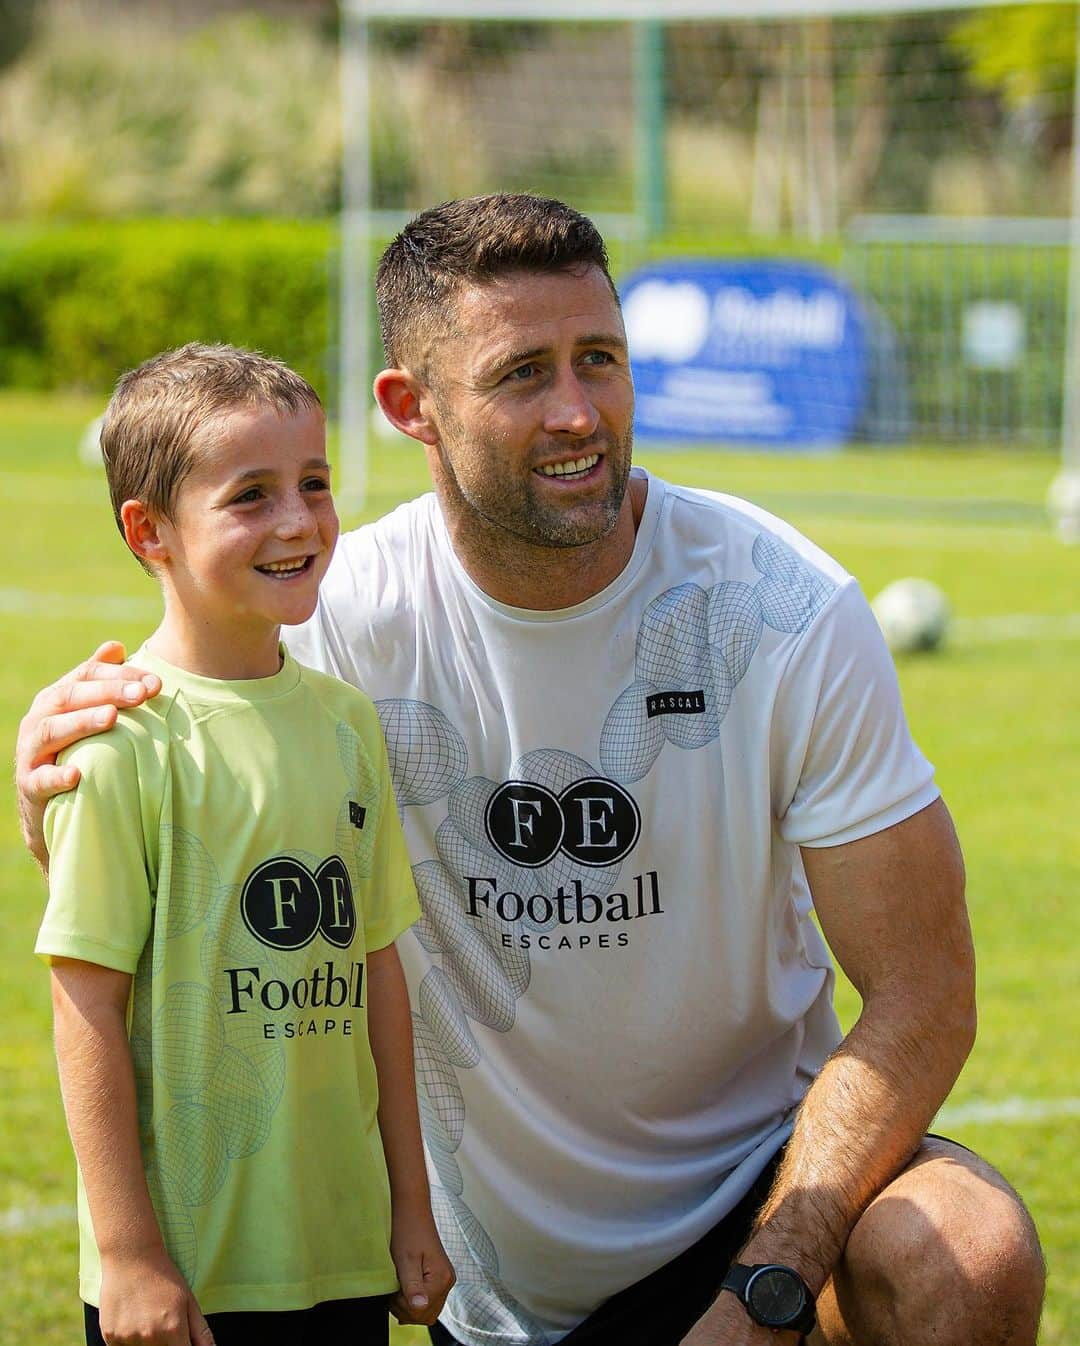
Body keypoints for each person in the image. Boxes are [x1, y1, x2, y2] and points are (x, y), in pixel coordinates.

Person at [19, 199, 1044, 1346]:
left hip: (756, 1210)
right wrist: (60, 748)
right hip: (483, 1290)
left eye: (599, 359)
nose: (578, 412)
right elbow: (181, 741)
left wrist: (768, 1284)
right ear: (413, 409)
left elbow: (923, 996)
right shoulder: (336, 618)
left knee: (964, 1246)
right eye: (523, 374)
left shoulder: (779, 607)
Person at [33, 343, 453, 1346]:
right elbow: (85, 1000)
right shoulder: (121, 741)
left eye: (313, 483)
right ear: (150, 531)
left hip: (340, 1245)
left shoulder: (349, 722)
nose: (299, 521)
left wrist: (409, 1202)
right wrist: (129, 1252)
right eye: (249, 495)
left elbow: (378, 969)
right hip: (189, 1269)